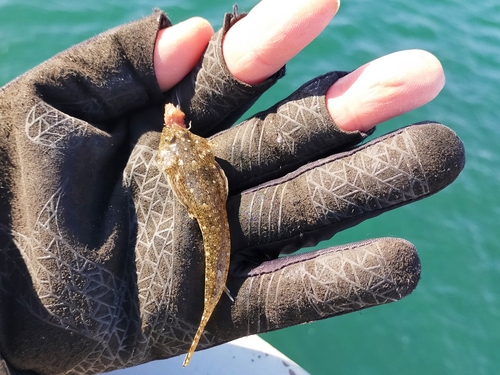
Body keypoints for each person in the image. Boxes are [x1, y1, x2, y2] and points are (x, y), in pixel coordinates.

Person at [0, 0, 465, 374]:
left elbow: (192, 166)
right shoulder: (185, 157)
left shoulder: (179, 156)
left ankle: (206, 312)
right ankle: (205, 311)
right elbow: (197, 168)